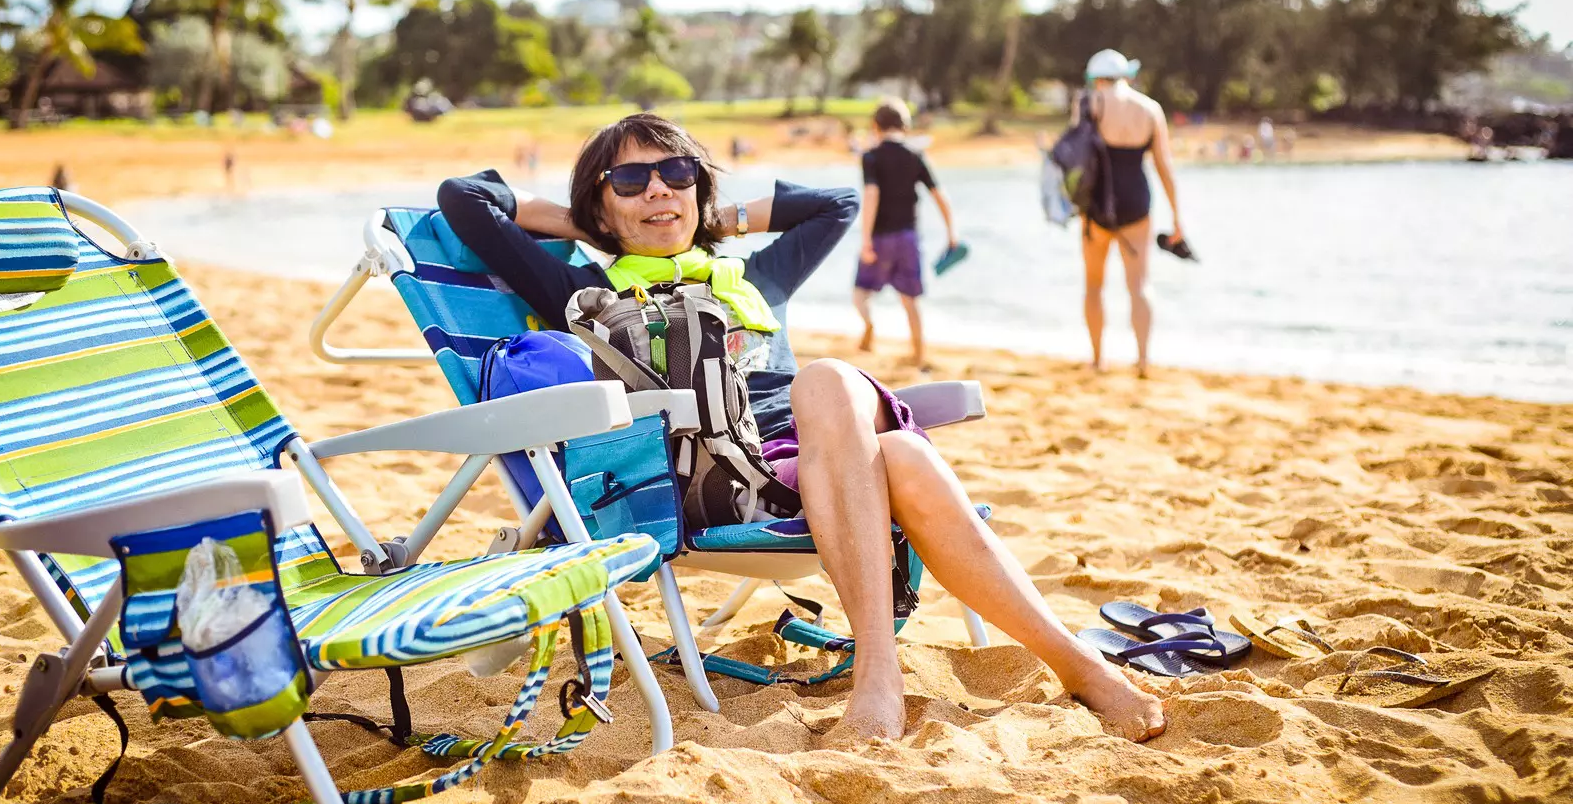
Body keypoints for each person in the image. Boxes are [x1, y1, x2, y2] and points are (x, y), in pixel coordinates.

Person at [437, 112, 1165, 745]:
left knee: (840, 398)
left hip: (820, 455)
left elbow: (838, 203)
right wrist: (589, 223)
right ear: (601, 203)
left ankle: (1016, 665)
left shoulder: (757, 276)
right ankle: (976, 665)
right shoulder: (579, 290)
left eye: (676, 173)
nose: (658, 188)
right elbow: (462, 199)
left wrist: (710, 217)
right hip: (713, 472)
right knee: (886, 437)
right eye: (631, 181)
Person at [1074, 50, 1184, 378]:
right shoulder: (1150, 109)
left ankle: (1097, 360)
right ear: (1126, 75)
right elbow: (1165, 166)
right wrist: (1177, 217)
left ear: (1096, 77)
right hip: (1136, 203)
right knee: (1139, 285)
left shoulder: (1089, 103)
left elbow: (1077, 158)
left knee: (1094, 285)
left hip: (1096, 207)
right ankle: (1143, 360)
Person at [854, 98, 956, 369]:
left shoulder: (871, 157)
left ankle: (869, 325)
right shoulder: (916, 155)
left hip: (880, 237)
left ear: (876, 126)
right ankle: (919, 353)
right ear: (905, 126)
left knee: (861, 293)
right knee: (911, 300)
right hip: (909, 237)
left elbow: (871, 194)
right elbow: (940, 196)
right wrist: (951, 234)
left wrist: (865, 240)